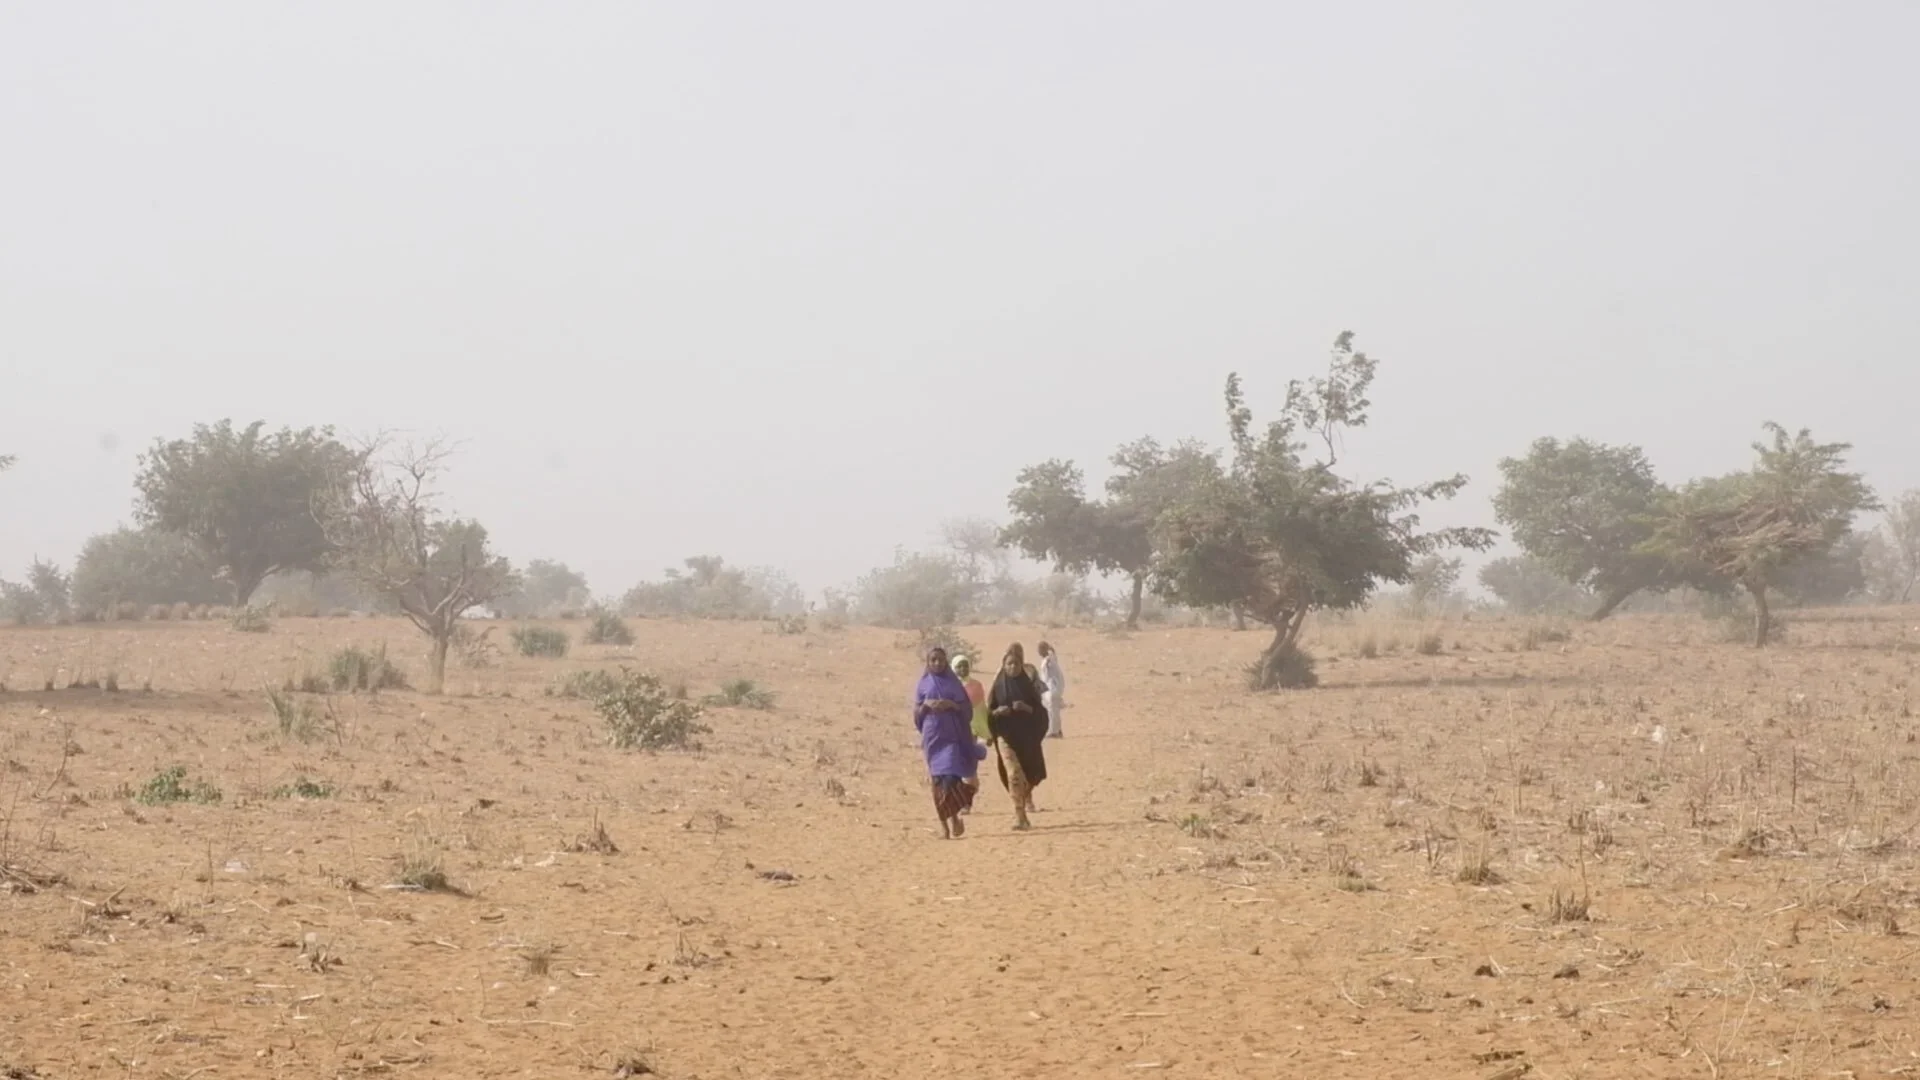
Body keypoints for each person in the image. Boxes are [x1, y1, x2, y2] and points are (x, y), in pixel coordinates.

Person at [913, 646, 980, 838]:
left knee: (950, 779)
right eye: (933, 660)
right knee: (937, 783)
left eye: (941, 660)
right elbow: (916, 713)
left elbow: (967, 710)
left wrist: (951, 705)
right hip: (933, 737)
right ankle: (945, 826)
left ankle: (954, 818)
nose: (937, 663)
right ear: (928, 662)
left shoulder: (954, 683)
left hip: (952, 737)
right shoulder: (923, 683)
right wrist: (927, 705)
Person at [988, 643, 1049, 830]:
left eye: (1016, 664)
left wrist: (1026, 708)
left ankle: (1025, 798)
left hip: (1028, 739)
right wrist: (998, 712)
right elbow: (988, 712)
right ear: (1003, 665)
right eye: (1009, 664)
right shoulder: (997, 686)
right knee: (1014, 774)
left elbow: (1041, 712)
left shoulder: (1029, 686)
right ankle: (1020, 816)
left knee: (1030, 776)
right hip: (1005, 737)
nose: (1012, 667)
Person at [1037, 641, 1066, 739]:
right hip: (1050, 688)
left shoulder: (1049, 660)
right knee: (1053, 710)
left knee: (1052, 710)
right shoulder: (1047, 658)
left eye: (1040, 649)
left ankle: (1054, 732)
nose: (1038, 651)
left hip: (1053, 688)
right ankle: (1058, 730)